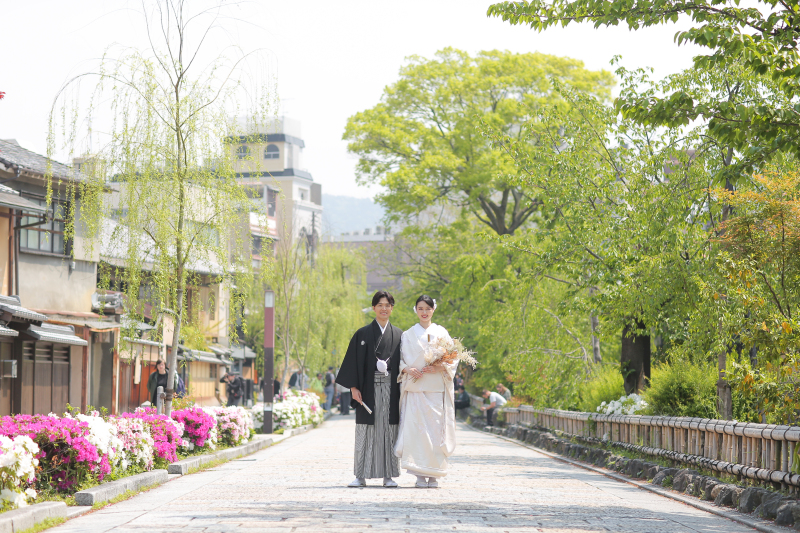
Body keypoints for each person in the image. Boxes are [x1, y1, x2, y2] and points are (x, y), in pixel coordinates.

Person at [336, 290, 403, 488]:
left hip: (392, 390)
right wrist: (354, 388)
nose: (384, 308)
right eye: (380, 305)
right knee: (365, 431)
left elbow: (404, 363)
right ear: (373, 308)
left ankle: (389, 475)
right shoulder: (362, 334)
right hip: (367, 390)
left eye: (387, 305)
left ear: (392, 308)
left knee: (389, 431)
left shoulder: (399, 335)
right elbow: (352, 362)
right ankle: (360, 475)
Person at [395, 295, 458, 489]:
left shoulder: (442, 333)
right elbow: (399, 359)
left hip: (435, 388)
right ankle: (420, 474)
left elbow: (453, 358)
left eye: (427, 308)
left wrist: (440, 368)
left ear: (433, 310)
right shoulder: (407, 334)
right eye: (420, 308)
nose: (424, 312)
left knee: (435, 430)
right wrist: (406, 369)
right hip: (416, 388)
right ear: (415, 310)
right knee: (416, 431)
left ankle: (435, 474)